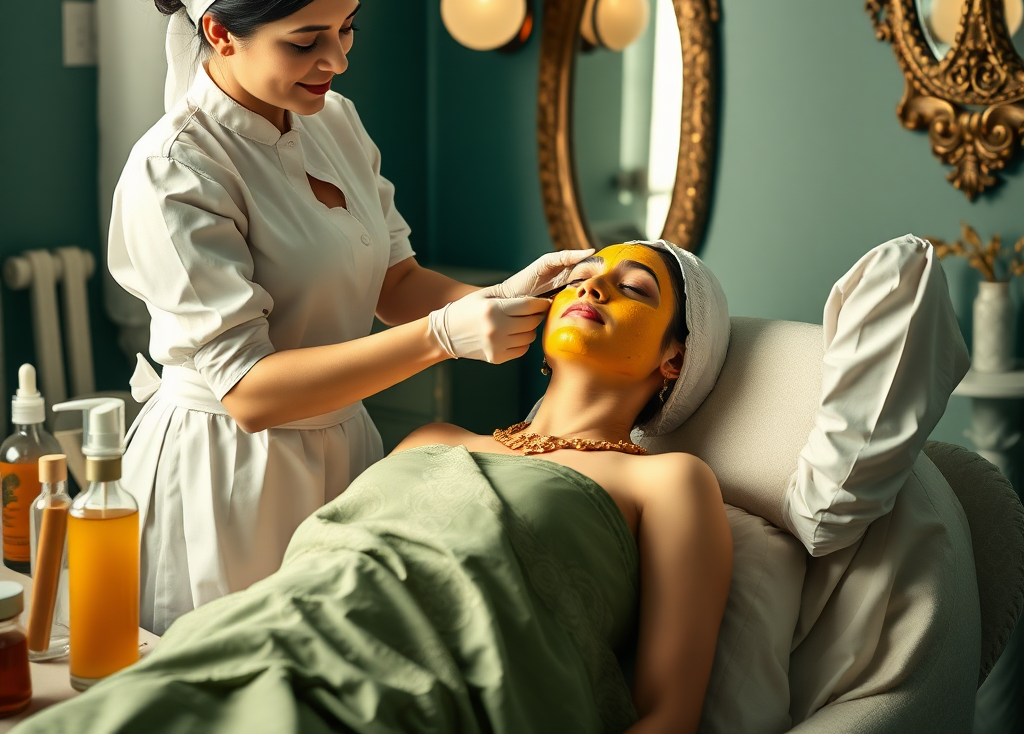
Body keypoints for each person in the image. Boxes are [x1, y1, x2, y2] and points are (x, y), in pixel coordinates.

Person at [109, 0, 590, 634]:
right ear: (220, 33)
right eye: (305, 41)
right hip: (232, 475)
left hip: (346, 449)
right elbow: (252, 392)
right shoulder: (178, 169)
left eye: (348, 27)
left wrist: (500, 302)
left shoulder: (333, 121)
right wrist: (446, 336)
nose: (337, 60)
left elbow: (394, 281)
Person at [22, 241, 733, 734]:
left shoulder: (669, 481)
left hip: (416, 696)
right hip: (263, 634)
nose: (593, 285)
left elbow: (669, 712)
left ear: (675, 359)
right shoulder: (434, 439)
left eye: (634, 288)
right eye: (583, 275)